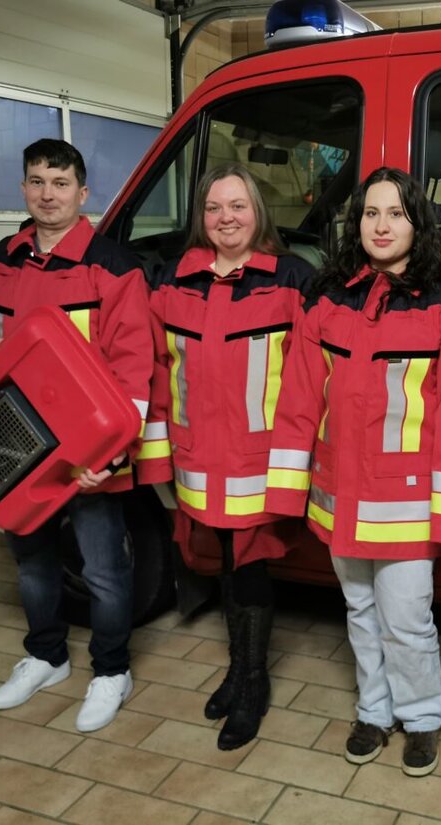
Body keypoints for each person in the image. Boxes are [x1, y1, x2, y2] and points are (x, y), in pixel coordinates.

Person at [265, 167, 441, 777]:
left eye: (395, 213)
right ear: (355, 222)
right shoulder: (327, 298)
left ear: (419, 223)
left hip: (406, 504)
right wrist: (288, 489)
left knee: (407, 620)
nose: (382, 225)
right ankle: (374, 709)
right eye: (370, 213)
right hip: (339, 492)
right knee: (359, 612)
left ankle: (419, 719)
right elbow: (299, 398)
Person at [0, 138, 153, 732]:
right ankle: (46, 656)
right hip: (12, 443)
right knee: (32, 565)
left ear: (83, 194)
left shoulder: (113, 268)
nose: (47, 194)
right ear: (24, 189)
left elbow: (137, 370)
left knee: (105, 570)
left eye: (60, 184)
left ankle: (112, 670)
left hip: (86, 454)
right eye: (36, 182)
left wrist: (111, 458)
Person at [138, 163, 314, 750]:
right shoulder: (173, 281)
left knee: (251, 567)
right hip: (196, 457)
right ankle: (238, 671)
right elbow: (159, 372)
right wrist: (160, 458)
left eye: (237, 206)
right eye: (214, 208)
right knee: (219, 565)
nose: (226, 218)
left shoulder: (292, 280)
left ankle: (253, 681)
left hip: (259, 460)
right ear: (201, 217)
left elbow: (309, 382)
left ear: (257, 212)